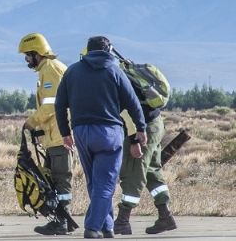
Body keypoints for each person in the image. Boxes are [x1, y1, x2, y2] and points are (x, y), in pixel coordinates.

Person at [55, 36, 146, 240]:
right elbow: (133, 102)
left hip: (81, 133)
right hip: (108, 133)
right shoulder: (115, 71)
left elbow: (60, 104)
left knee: (95, 183)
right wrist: (141, 128)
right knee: (105, 184)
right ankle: (93, 227)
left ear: (87, 51)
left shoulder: (72, 71)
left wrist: (65, 133)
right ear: (109, 51)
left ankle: (107, 227)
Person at [18, 33, 73, 235]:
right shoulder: (47, 70)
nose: (26, 59)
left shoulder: (50, 69)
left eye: (27, 55)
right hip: (54, 135)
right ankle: (58, 219)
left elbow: (52, 104)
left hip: (60, 136)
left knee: (60, 178)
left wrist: (31, 123)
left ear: (37, 53)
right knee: (54, 179)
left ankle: (62, 222)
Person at [114, 101, 177, 234]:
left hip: (141, 129)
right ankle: (165, 215)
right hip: (155, 123)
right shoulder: (137, 80)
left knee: (133, 172)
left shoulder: (121, 80)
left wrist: (134, 140)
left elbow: (127, 110)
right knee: (151, 171)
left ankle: (122, 220)